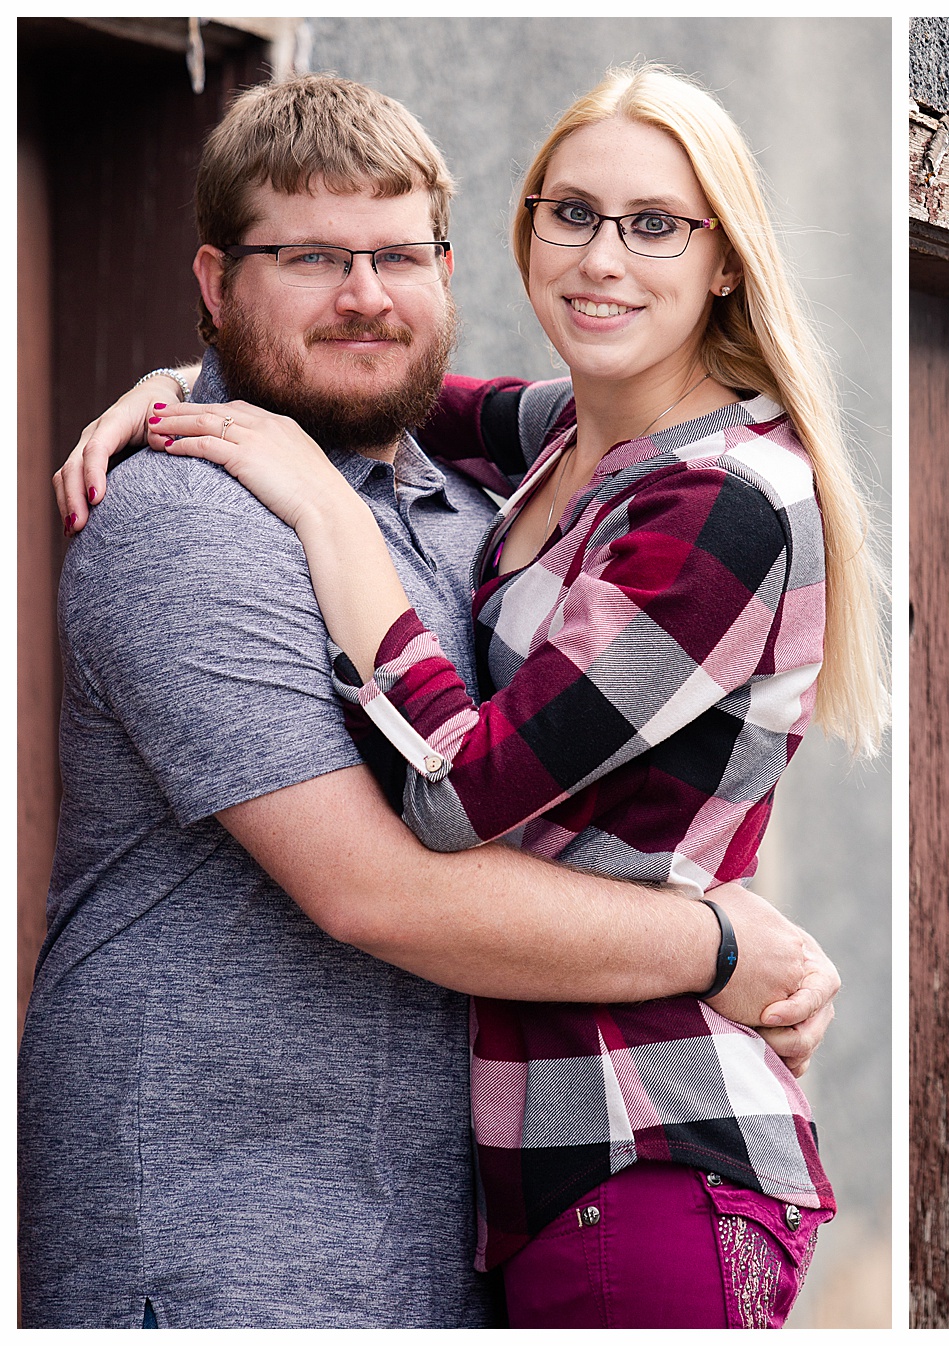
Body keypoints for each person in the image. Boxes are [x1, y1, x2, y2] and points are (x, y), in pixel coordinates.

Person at [26, 72, 854, 1329]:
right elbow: (377, 882)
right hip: (222, 1238)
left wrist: (297, 467)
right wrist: (722, 943)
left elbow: (516, 796)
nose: (365, 294)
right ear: (214, 280)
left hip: (539, 1188)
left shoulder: (537, 496)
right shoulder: (194, 518)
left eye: (398, 255)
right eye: (310, 256)